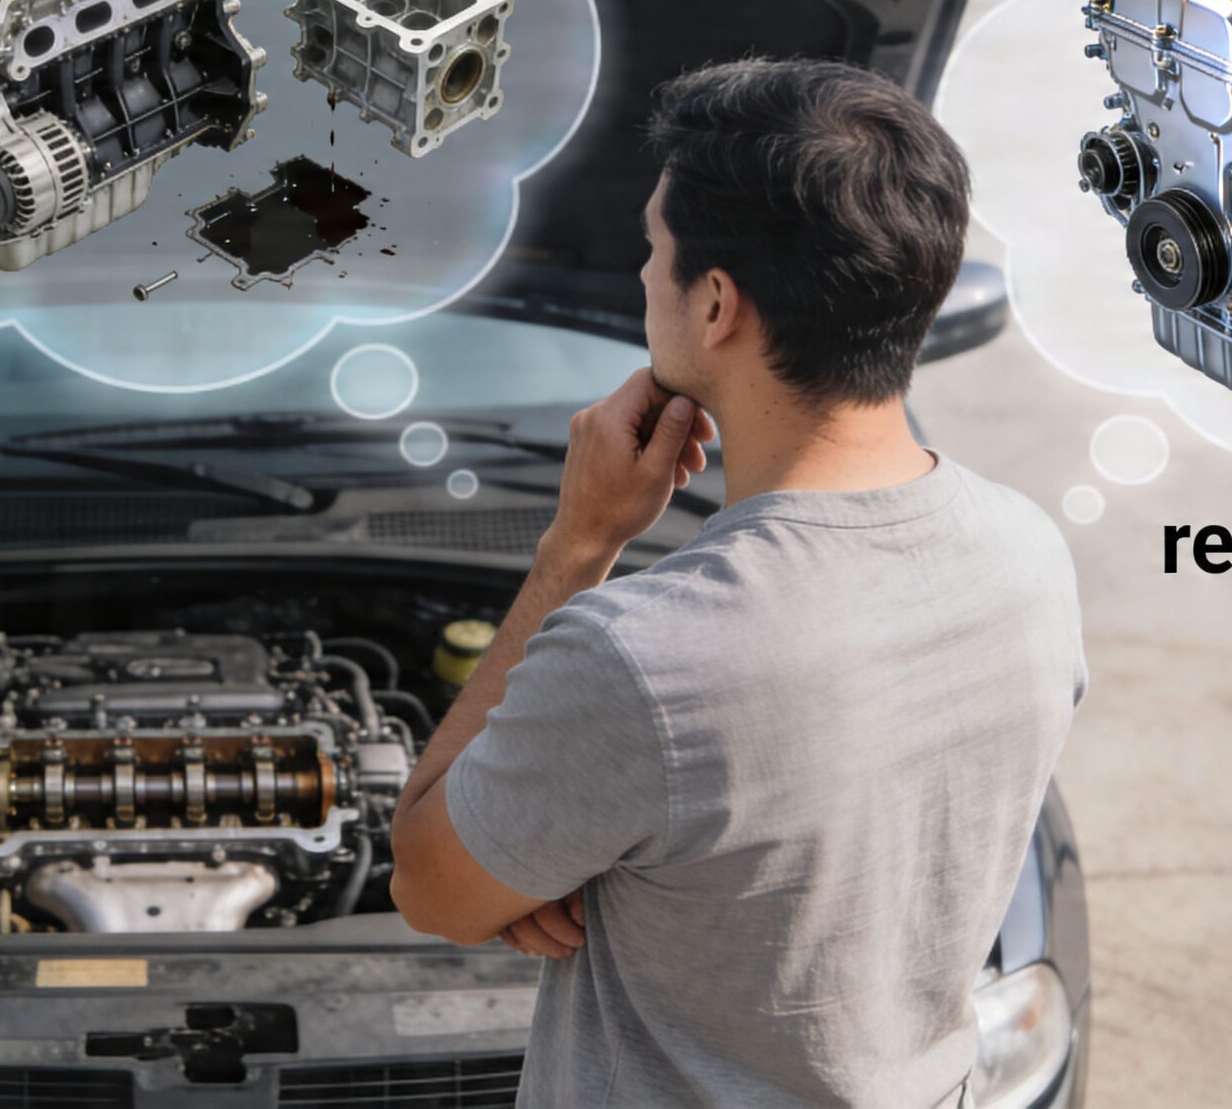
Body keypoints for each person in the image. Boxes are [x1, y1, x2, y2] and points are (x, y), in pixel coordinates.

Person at [388, 58, 1085, 1107]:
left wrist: (576, 548)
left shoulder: (641, 656)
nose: (638, 277)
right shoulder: (1028, 556)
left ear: (715, 303)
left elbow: (433, 887)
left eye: (653, 249)